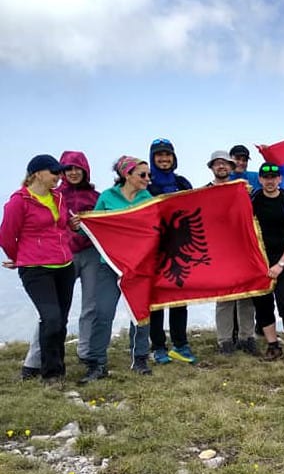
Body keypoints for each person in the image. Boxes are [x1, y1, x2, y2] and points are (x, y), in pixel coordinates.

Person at [20, 151, 100, 379]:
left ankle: (85, 353)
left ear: (85, 170)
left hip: (89, 254)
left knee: (89, 308)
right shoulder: (54, 195)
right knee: (50, 314)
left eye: (78, 168)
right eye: (67, 169)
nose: (73, 173)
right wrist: (19, 256)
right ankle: (34, 361)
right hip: (59, 258)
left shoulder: (95, 196)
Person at [80, 156, 154, 383]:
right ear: (127, 175)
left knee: (140, 314)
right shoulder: (107, 197)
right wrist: (80, 225)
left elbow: (156, 228)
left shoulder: (147, 199)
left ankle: (140, 358)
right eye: (142, 175)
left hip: (139, 266)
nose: (147, 179)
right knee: (102, 313)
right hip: (109, 265)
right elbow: (93, 230)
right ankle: (96, 364)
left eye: (148, 175)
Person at [1, 154, 75, 380]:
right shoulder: (19, 201)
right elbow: (5, 236)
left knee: (60, 320)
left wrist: (71, 227)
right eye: (54, 172)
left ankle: (57, 370)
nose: (59, 176)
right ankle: (50, 374)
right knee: (51, 318)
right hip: (36, 268)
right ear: (37, 174)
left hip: (65, 265)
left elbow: (61, 228)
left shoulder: (59, 198)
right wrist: (19, 258)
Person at [146, 138, 197, 365]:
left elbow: (197, 207)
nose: (164, 159)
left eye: (168, 155)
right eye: (159, 155)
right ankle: (158, 346)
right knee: (155, 300)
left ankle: (180, 345)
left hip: (178, 248)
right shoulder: (145, 184)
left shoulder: (182, 182)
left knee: (179, 297)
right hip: (152, 250)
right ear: (152, 158)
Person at [251, 162, 284, 361]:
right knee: (263, 305)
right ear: (260, 179)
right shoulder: (253, 199)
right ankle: (273, 346)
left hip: (283, 260)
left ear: (279, 179)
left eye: (274, 177)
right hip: (259, 262)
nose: (270, 181)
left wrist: (281, 264)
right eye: (266, 177)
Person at [207, 150, 257, 355]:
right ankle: (225, 340)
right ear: (211, 167)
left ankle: (247, 337)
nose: (221, 167)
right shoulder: (204, 193)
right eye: (217, 164)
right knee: (224, 296)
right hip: (219, 251)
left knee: (247, 295)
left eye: (225, 163)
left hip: (242, 247)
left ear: (231, 166)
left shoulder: (243, 189)